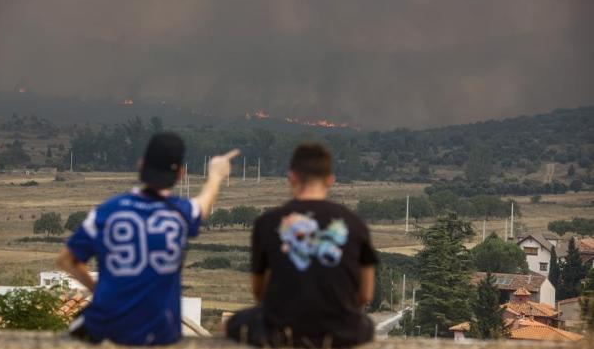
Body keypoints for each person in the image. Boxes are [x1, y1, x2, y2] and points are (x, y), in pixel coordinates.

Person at [57, 132, 238, 345]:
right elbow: (204, 204)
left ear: (141, 165)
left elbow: (66, 260)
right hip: (160, 332)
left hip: (106, 325)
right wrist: (216, 174)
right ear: (181, 173)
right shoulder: (181, 214)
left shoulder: (108, 211)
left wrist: (97, 291)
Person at [226, 143, 377, 348]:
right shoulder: (355, 223)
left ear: (292, 177)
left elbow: (259, 293)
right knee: (368, 325)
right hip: (341, 331)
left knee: (232, 323)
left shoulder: (268, 222)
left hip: (281, 329)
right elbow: (366, 295)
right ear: (330, 180)